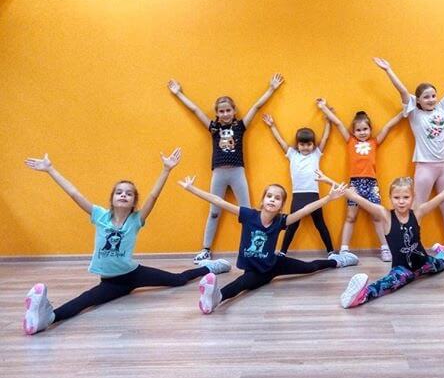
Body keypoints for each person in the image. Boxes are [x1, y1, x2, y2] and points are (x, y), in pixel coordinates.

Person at [22, 148, 230, 335]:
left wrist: (166, 170)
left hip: (134, 274)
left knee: (178, 280)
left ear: (133, 202)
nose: (123, 195)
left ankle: (210, 267)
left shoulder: (136, 220)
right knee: (85, 301)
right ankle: (47, 318)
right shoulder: (100, 216)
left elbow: (153, 196)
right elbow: (74, 193)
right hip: (111, 281)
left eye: (129, 194)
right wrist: (51, 170)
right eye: (119, 192)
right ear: (112, 198)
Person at [177, 176, 358, 314]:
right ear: (262, 200)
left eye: (277, 198)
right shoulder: (248, 215)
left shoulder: (281, 221)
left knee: (310, 267)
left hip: (274, 263)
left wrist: (328, 198)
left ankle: (339, 261)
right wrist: (191, 188)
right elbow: (219, 201)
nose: (272, 199)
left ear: (281, 205)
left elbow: (304, 211)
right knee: (243, 283)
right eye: (269, 196)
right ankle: (216, 298)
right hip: (257, 271)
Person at [322, 164, 444, 308]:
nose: (401, 201)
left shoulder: (418, 212)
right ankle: (360, 296)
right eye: (396, 197)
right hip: (402, 269)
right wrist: (329, 181)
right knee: (389, 283)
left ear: (412, 198)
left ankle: (443, 252)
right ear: (390, 198)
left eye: (405, 197)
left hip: (424, 263)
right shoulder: (385, 215)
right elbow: (353, 195)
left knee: (440, 264)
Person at [373, 48, 444, 260]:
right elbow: (403, 92)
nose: (431, 99)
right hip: (425, 167)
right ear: (418, 101)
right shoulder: (414, 114)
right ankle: (411, 246)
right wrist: (388, 70)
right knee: (415, 209)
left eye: (433, 96)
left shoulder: (442, 108)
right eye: (426, 97)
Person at [168, 74, 284, 263]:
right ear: (217, 113)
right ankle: (205, 249)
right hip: (219, 173)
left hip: (237, 172)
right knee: (214, 212)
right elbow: (195, 110)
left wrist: (271, 89)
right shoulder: (213, 128)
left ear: (234, 111)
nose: (225, 114)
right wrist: (178, 93)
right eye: (221, 111)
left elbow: (256, 107)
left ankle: (255, 248)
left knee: (248, 213)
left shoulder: (240, 126)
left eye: (228, 110)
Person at [316, 98, 404, 261]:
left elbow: (388, 126)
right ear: (353, 131)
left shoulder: (374, 142)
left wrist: (403, 113)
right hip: (355, 184)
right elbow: (338, 124)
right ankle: (344, 250)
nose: (362, 132)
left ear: (370, 129)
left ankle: (385, 248)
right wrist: (323, 108)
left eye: (365, 129)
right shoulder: (350, 141)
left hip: (371, 184)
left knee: (377, 216)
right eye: (358, 130)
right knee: (351, 217)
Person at [262, 111, 336, 256]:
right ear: (297, 145)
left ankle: (331, 251)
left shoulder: (316, 154)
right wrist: (272, 126)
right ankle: (282, 252)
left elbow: (325, 138)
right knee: (292, 225)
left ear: (313, 144)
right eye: (302, 144)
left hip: (313, 195)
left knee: (320, 224)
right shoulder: (292, 154)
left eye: (309, 144)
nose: (305, 147)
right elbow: (281, 141)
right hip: (298, 195)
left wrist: (328, 122)